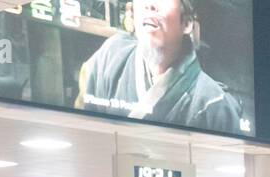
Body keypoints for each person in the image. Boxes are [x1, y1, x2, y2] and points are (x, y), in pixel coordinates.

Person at [78, 0, 243, 133]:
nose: (150, 5)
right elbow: (85, 134)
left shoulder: (214, 104)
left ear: (187, 23)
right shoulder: (110, 56)